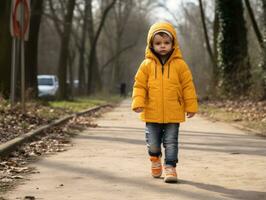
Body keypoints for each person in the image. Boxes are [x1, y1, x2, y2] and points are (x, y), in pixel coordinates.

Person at [131, 22, 198, 183]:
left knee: (171, 142)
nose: (163, 46)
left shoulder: (180, 65)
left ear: (173, 44)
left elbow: (188, 86)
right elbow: (139, 85)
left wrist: (191, 106)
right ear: (151, 45)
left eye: (166, 43)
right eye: (158, 43)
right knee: (153, 143)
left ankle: (170, 167)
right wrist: (138, 102)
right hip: (152, 112)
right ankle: (154, 159)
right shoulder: (146, 65)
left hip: (173, 112)